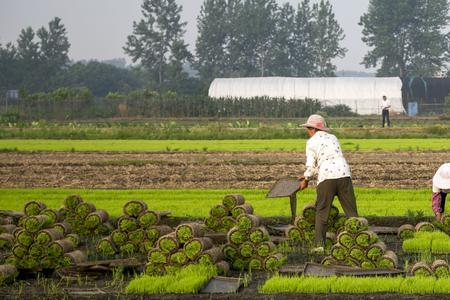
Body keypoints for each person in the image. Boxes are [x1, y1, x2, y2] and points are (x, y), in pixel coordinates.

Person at [299, 114, 358, 253]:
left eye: (308, 128)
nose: (308, 131)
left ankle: (319, 246)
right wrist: (306, 175)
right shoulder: (333, 137)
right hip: (344, 174)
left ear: (312, 129)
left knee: (322, 212)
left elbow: (311, 165)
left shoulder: (311, 142)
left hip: (326, 177)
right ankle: (358, 241)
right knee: (352, 212)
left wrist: (306, 179)